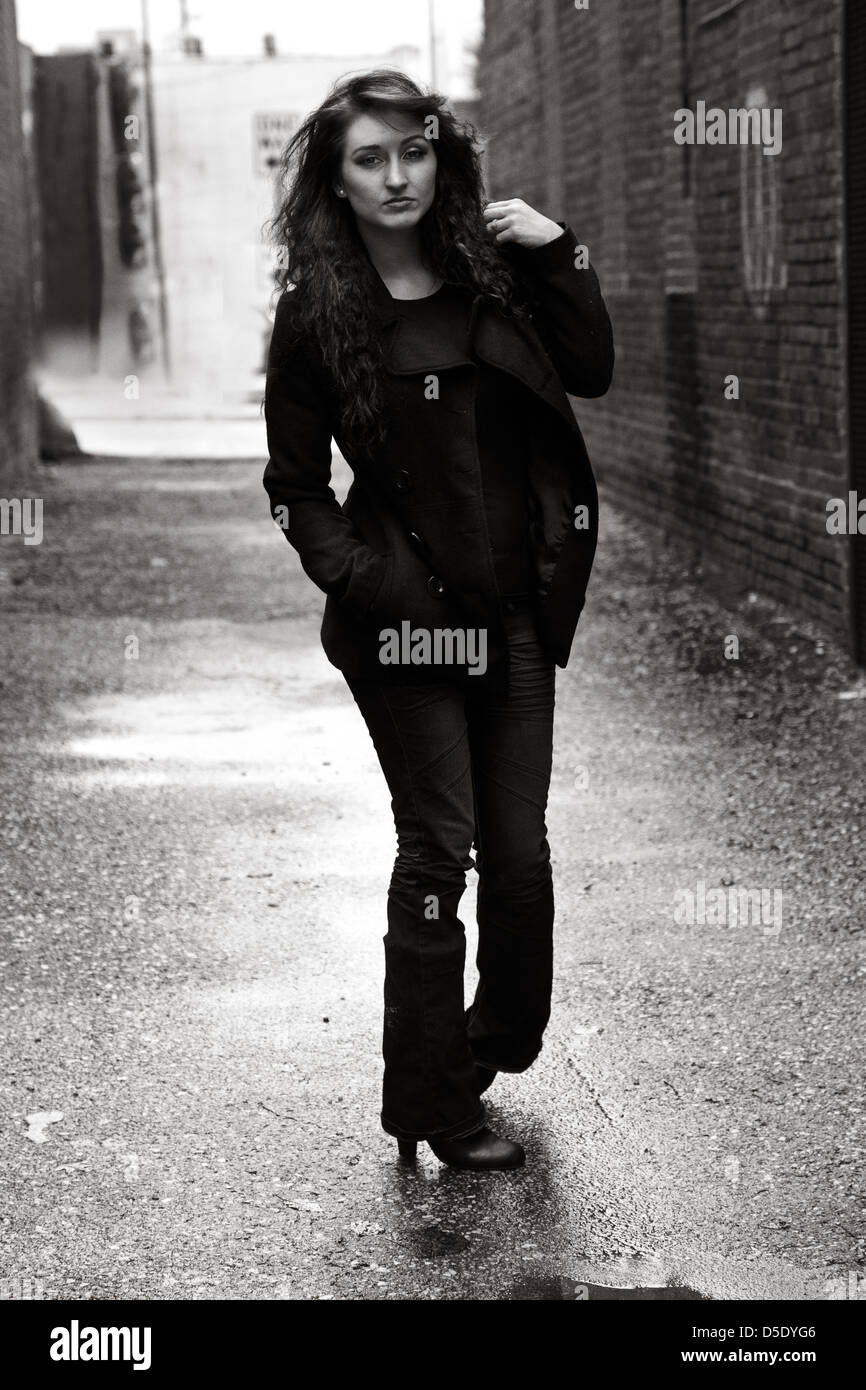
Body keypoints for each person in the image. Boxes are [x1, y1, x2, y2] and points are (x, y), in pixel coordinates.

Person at [262, 69, 614, 1171]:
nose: (395, 174)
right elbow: (294, 481)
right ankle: (428, 1102)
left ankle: (480, 1051)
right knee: (439, 847)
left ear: (440, 156)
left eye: (411, 151)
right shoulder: (318, 314)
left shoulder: (495, 277)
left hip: (512, 618)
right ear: (337, 180)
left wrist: (558, 251)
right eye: (367, 159)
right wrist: (360, 581)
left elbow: (591, 371)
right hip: (407, 627)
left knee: (519, 859)